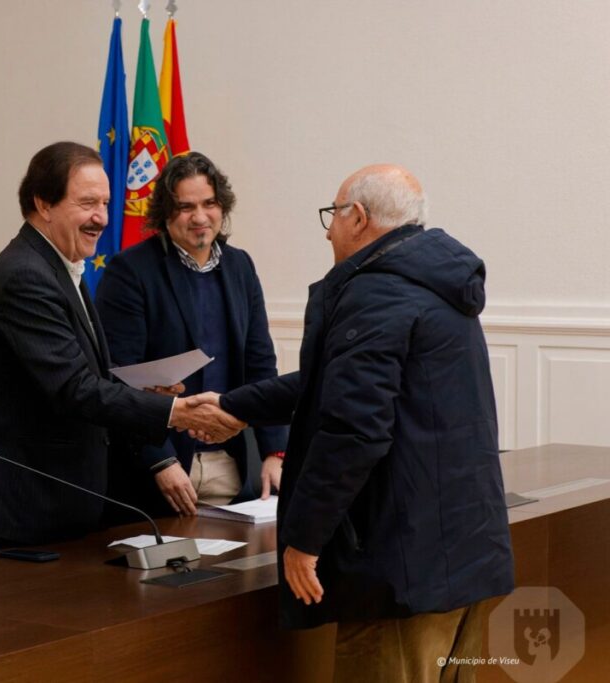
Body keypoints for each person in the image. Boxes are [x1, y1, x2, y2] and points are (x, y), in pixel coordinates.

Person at [195, 165, 514, 682]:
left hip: (400, 569)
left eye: (333, 214)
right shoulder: (436, 284)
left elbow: (354, 430)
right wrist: (237, 406)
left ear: (358, 218)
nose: (328, 230)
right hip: (458, 555)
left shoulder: (379, 293)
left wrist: (305, 540)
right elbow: (332, 383)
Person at [0, 141, 243, 551]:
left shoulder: (58, 266)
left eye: (106, 204)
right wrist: (175, 412)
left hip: (65, 500)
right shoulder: (26, 276)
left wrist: (141, 392)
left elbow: (89, 377)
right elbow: (75, 390)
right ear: (44, 203)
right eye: (88, 203)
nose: (102, 219)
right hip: (27, 504)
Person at [95, 152, 288, 518]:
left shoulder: (240, 266)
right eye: (185, 207)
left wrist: (273, 452)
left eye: (209, 203)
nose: (200, 217)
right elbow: (121, 379)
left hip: (233, 466)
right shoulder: (129, 271)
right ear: (165, 213)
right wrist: (160, 460)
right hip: (161, 473)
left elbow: (261, 365)